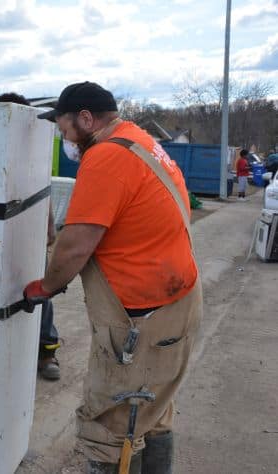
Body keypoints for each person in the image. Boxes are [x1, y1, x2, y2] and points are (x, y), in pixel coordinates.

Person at [26, 82, 202, 473]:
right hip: (178, 301)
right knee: (153, 410)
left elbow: (76, 244)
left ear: (86, 118)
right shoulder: (139, 141)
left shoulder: (105, 156)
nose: (65, 138)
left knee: (109, 422)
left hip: (142, 318)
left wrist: (44, 287)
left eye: (64, 128)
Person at [0, 92, 61, 381]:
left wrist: (49, 226)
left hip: (28, 235)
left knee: (40, 291)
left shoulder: (35, 146)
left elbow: (42, 189)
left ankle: (47, 352)